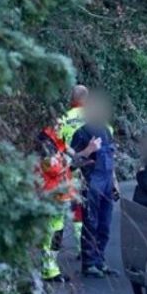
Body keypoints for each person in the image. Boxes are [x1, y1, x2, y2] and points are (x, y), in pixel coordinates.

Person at [35, 125, 99, 282]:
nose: (61, 126)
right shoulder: (45, 143)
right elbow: (56, 168)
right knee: (50, 234)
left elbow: (71, 157)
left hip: (61, 196)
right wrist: (82, 156)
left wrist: (82, 157)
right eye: (58, 124)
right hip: (51, 196)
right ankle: (48, 269)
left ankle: (50, 267)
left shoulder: (57, 140)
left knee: (56, 233)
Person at [70, 92, 120, 278]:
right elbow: (71, 162)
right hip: (91, 183)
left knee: (105, 224)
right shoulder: (81, 133)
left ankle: (100, 261)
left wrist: (115, 182)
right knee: (91, 223)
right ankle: (89, 263)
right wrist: (88, 150)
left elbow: (111, 158)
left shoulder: (106, 131)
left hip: (106, 182)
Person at [57, 85, 89, 252]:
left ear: (72, 99)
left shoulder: (63, 119)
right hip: (89, 168)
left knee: (61, 210)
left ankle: (55, 248)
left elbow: (56, 144)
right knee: (82, 209)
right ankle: (81, 247)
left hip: (67, 169)